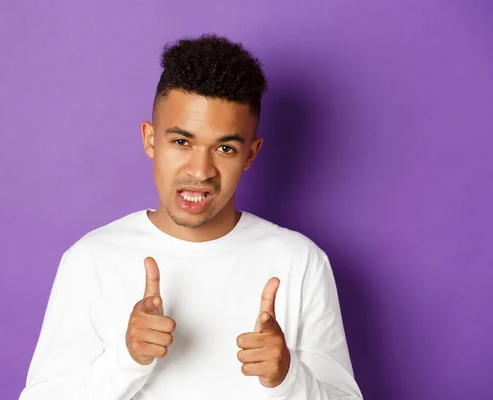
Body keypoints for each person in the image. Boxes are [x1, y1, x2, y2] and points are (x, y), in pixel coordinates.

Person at [19, 34, 363, 400]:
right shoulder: (91, 260)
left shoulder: (300, 262)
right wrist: (126, 360)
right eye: (182, 142)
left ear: (251, 153)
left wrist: (289, 378)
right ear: (150, 139)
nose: (200, 171)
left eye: (225, 148)